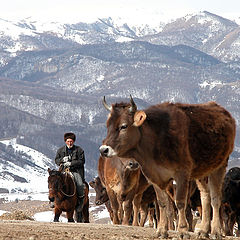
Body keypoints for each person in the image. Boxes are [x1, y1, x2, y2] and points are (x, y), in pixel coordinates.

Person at [55, 132, 85, 212]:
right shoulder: (60, 150)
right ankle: (53, 200)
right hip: (63, 171)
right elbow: (56, 160)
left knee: (80, 185)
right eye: (68, 141)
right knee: (55, 182)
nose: (69, 143)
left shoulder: (79, 150)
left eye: (71, 141)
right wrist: (62, 160)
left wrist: (71, 163)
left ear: (74, 141)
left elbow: (82, 161)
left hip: (76, 171)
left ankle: (81, 201)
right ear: (65, 141)